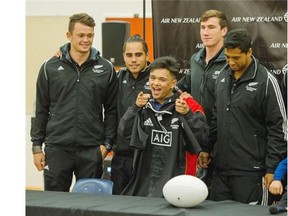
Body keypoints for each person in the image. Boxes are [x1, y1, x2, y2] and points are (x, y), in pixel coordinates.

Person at [30, 13, 118, 192]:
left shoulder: (106, 68)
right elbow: (40, 108)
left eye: (90, 35)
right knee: (53, 204)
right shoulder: (50, 67)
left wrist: (107, 145)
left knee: (89, 206)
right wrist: (37, 147)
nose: (86, 40)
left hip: (91, 149)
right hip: (57, 148)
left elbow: (112, 110)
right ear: (69, 36)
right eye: (81, 35)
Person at [198, 29, 287, 205]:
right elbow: (217, 117)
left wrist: (272, 169)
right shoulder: (222, 76)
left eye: (236, 57)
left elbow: (279, 129)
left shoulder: (267, 81)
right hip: (221, 170)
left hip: (252, 172)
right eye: (227, 56)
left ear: (249, 52)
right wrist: (206, 148)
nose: (231, 62)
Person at [118, 56, 209, 197]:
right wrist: (134, 108)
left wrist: (188, 114)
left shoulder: (188, 105)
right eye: (152, 78)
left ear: (173, 83)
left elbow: (203, 139)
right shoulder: (143, 105)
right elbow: (124, 133)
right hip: (145, 185)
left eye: (162, 79)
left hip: (178, 186)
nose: (155, 83)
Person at [177, 9, 228, 193]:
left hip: (222, 141)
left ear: (223, 31)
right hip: (196, 138)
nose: (205, 32)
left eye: (211, 27)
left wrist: (210, 147)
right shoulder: (195, 59)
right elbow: (181, 86)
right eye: (203, 27)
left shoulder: (230, 62)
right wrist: (182, 94)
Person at [110, 34, 151, 195]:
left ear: (147, 55)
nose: (133, 59)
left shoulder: (157, 78)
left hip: (147, 156)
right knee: (118, 206)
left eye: (138, 54)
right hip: (121, 155)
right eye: (129, 55)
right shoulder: (117, 77)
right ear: (124, 56)